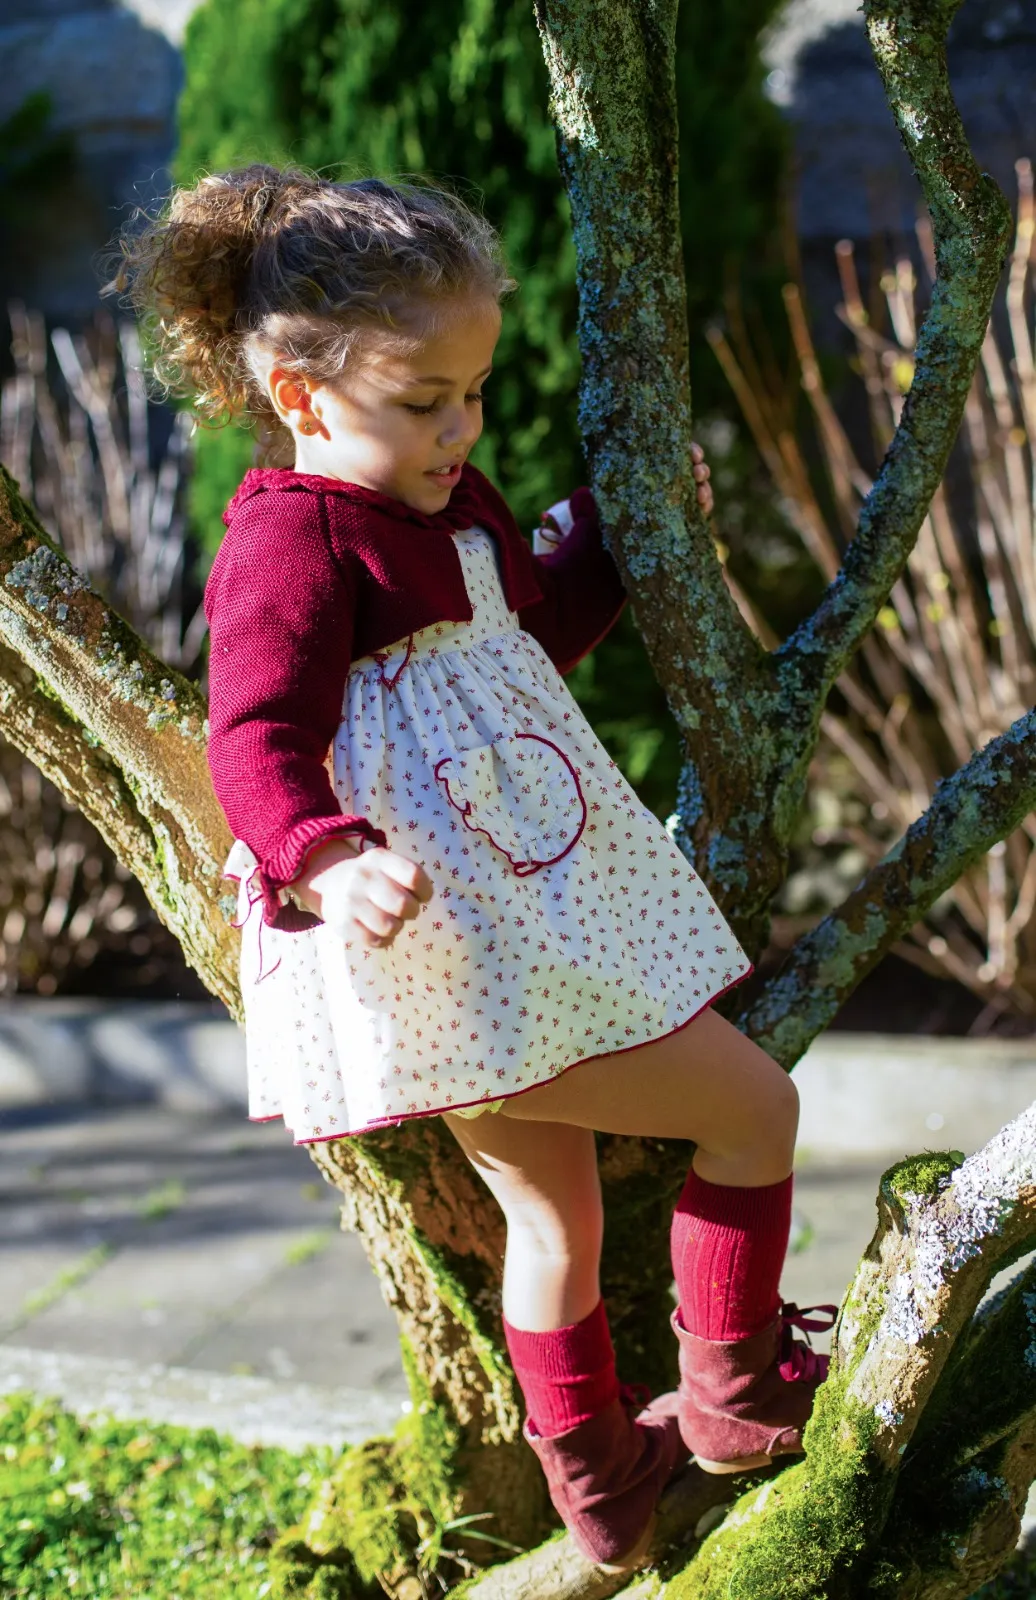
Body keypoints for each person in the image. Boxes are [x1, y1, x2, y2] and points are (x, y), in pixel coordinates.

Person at [109, 164, 834, 1575]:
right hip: (448, 959)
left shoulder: (456, 505)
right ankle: (737, 1404)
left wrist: (619, 539)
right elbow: (253, 735)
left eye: (476, 390)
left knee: (551, 1217)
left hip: (518, 936)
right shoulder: (290, 538)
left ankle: (606, 1490)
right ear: (300, 392)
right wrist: (324, 861)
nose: (460, 427)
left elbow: (524, 636)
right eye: (423, 399)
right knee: (754, 1108)